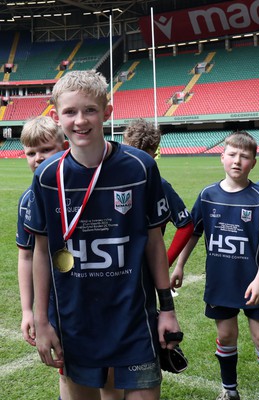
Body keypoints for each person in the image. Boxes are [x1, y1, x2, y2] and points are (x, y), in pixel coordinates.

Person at [24, 69, 181, 400]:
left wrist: (167, 308)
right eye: (70, 112)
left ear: (107, 112)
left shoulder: (140, 168)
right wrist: (41, 321)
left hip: (134, 318)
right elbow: (40, 251)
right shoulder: (47, 176)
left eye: (90, 110)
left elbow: (154, 242)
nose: (80, 120)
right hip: (74, 321)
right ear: (56, 117)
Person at [100, 118, 193, 400]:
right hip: (140, 277)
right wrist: (165, 260)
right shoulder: (156, 180)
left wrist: (162, 261)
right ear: (156, 149)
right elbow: (186, 225)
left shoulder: (118, 180)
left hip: (114, 274)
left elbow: (186, 225)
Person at [170, 130, 259, 400]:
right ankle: (229, 390)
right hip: (221, 280)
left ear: (253, 163)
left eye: (244, 157)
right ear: (222, 157)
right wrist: (179, 266)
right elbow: (193, 232)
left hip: (253, 280)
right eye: (232, 155)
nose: (237, 161)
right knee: (226, 335)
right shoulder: (207, 195)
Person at [16, 115, 69, 400]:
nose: (37, 158)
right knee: (67, 366)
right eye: (31, 153)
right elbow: (26, 257)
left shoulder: (83, 186)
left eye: (45, 150)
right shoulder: (28, 200)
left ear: (63, 146)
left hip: (95, 287)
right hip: (56, 301)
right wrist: (28, 311)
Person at [123, 118, 194, 267]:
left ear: (153, 158)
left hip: (145, 268)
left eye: (143, 159)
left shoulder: (160, 185)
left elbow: (185, 225)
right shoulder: (111, 182)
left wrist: (164, 263)